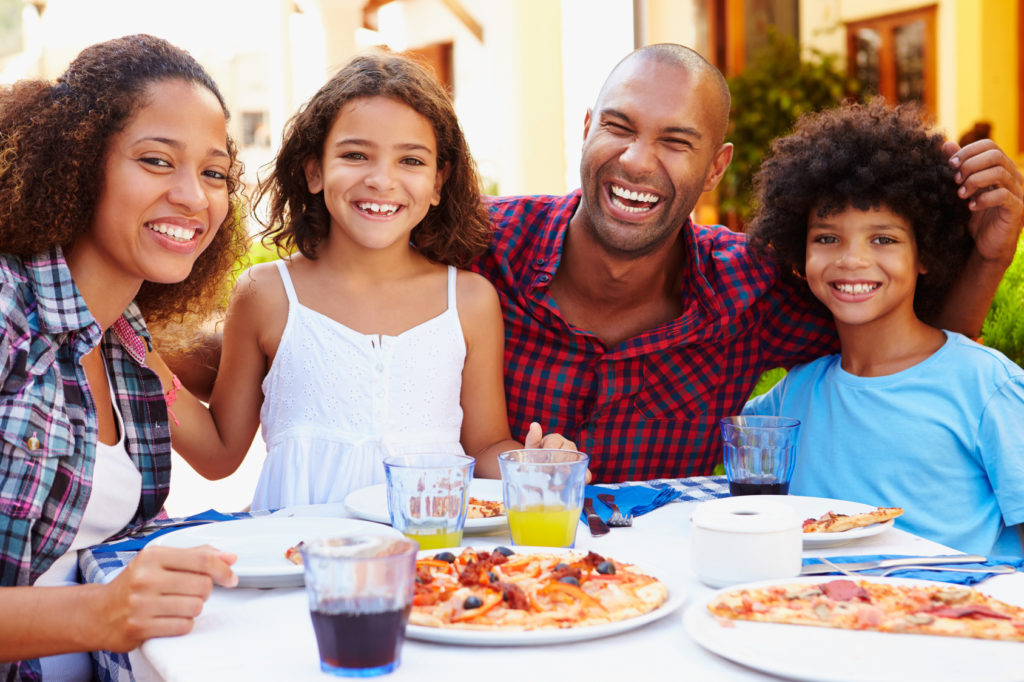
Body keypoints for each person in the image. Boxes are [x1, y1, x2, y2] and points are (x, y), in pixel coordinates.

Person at [170, 44, 1023, 484]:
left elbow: (911, 355)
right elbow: (331, 324)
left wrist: (985, 256)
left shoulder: (750, 286)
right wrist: (121, 335)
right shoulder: (479, 247)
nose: (637, 161)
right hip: (482, 579)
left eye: (675, 141)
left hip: (658, 593)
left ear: (716, 168)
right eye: (619, 126)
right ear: (586, 129)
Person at [166, 52, 573, 511]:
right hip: (300, 557)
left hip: (433, 561)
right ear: (314, 170)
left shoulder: (470, 300)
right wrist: (135, 350)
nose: (382, 180)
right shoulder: (267, 293)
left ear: (439, 182)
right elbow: (218, 454)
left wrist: (532, 464)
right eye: (356, 155)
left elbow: (484, 448)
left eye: (411, 161)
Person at [0, 35, 245, 681]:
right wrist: (100, 613)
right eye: (157, 160)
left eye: (214, 172)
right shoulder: (7, 312)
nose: (195, 196)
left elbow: (218, 457)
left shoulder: (125, 341)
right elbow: (104, 606)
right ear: (77, 164)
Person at [742, 100, 1024, 556]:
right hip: (816, 616)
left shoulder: (987, 385)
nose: (852, 259)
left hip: (958, 617)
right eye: (827, 238)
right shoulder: (795, 394)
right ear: (801, 252)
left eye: (884, 239)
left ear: (927, 253)